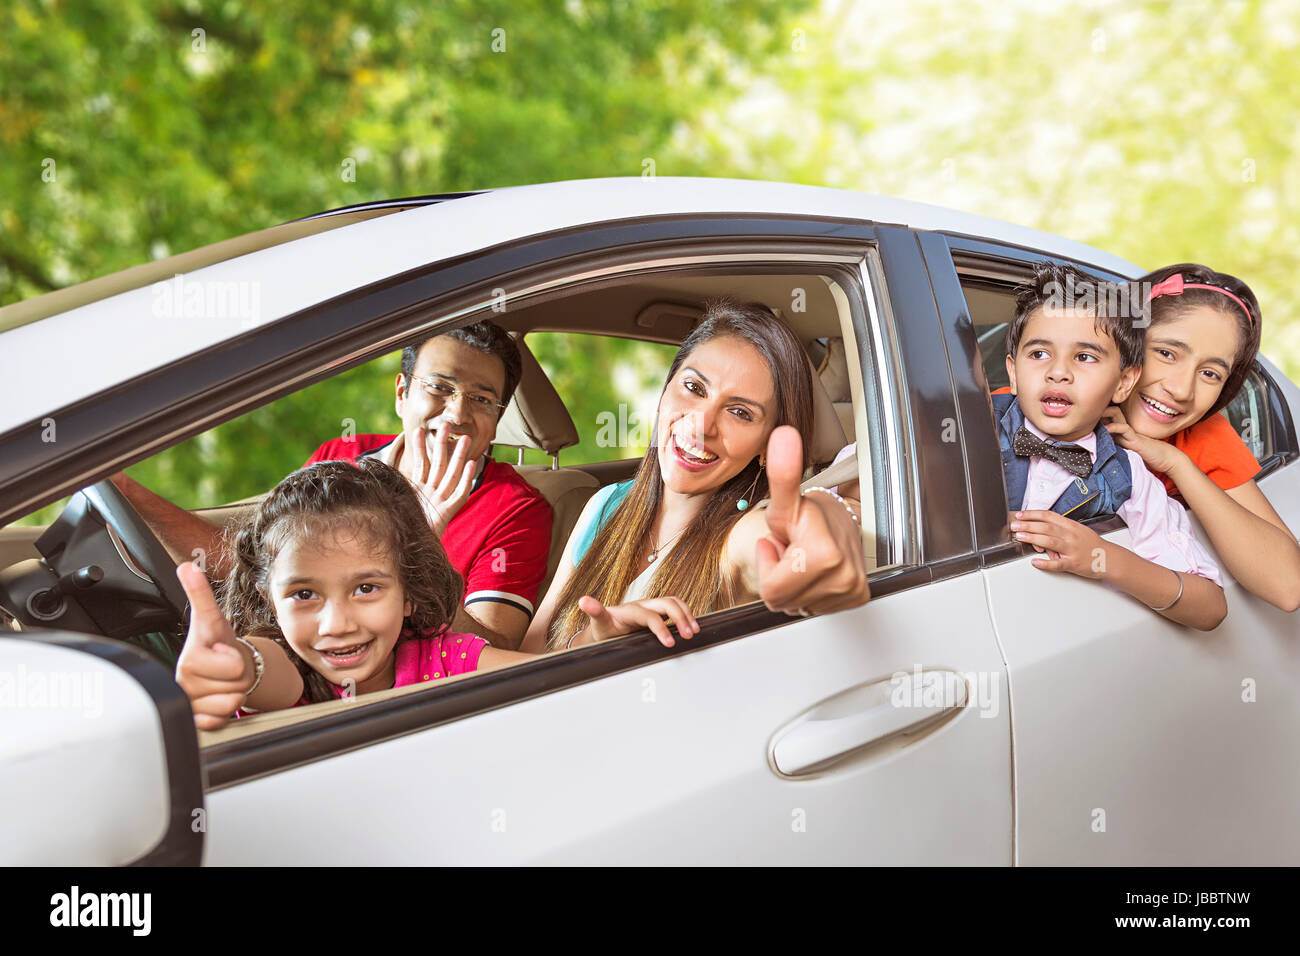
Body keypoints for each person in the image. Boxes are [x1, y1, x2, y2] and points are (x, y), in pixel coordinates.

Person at [113, 320, 552, 649]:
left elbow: (494, 647)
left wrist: (422, 545)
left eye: (480, 399)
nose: (457, 414)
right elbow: (252, 567)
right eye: (440, 388)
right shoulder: (340, 456)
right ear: (402, 393)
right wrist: (129, 494)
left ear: (496, 419)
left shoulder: (516, 508)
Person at [518, 299, 872, 654]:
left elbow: (780, 539)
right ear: (666, 389)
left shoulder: (738, 537)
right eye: (694, 388)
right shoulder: (606, 504)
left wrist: (829, 522)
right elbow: (529, 656)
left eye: (740, 412)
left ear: (767, 445)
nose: (701, 425)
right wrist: (593, 639)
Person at [174, 459, 534, 730]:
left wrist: (590, 650)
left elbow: (546, 680)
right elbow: (266, 673)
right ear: (269, 600)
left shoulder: (446, 660)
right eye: (303, 594)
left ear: (409, 592)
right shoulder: (285, 672)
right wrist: (238, 663)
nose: (336, 625)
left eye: (365, 589)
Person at [995, 262, 1226, 630]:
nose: (1058, 371)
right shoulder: (966, 430)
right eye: (1039, 354)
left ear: (1123, 383)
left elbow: (1210, 608)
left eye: (1084, 357)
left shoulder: (1127, 475)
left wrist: (1101, 556)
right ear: (1012, 372)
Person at [1101, 264, 1300, 612]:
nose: (1181, 390)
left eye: (1209, 373)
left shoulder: (1199, 437)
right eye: (1166, 353)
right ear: (1123, 340)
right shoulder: (1034, 408)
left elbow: (1287, 588)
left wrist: (1177, 464)